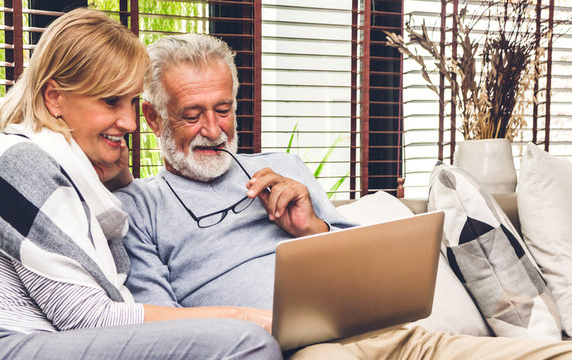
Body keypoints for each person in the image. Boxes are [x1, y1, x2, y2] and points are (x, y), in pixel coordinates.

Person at [114, 33, 572, 359]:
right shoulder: (138, 207)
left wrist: (313, 227)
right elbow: (164, 329)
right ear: (154, 119)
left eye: (224, 109)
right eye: (192, 114)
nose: (213, 131)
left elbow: (366, 270)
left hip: (392, 335)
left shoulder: (284, 169)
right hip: (302, 352)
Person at [0, 9, 281, 360]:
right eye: (110, 101)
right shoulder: (20, 161)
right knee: (246, 343)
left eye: (132, 102)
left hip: (27, 342)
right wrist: (240, 317)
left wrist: (118, 180)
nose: (129, 123)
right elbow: (89, 318)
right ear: (54, 98)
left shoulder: (59, 167)